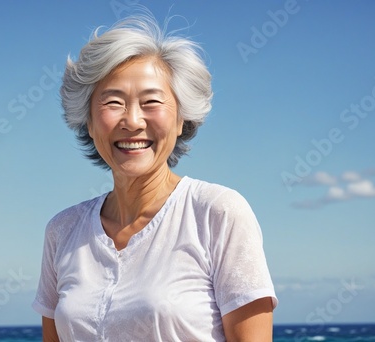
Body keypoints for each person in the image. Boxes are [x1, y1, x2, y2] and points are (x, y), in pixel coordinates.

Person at [32, 13, 278, 342]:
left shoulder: (217, 212)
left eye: (151, 102)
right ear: (88, 122)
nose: (132, 121)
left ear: (181, 119)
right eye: (113, 102)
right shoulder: (62, 231)